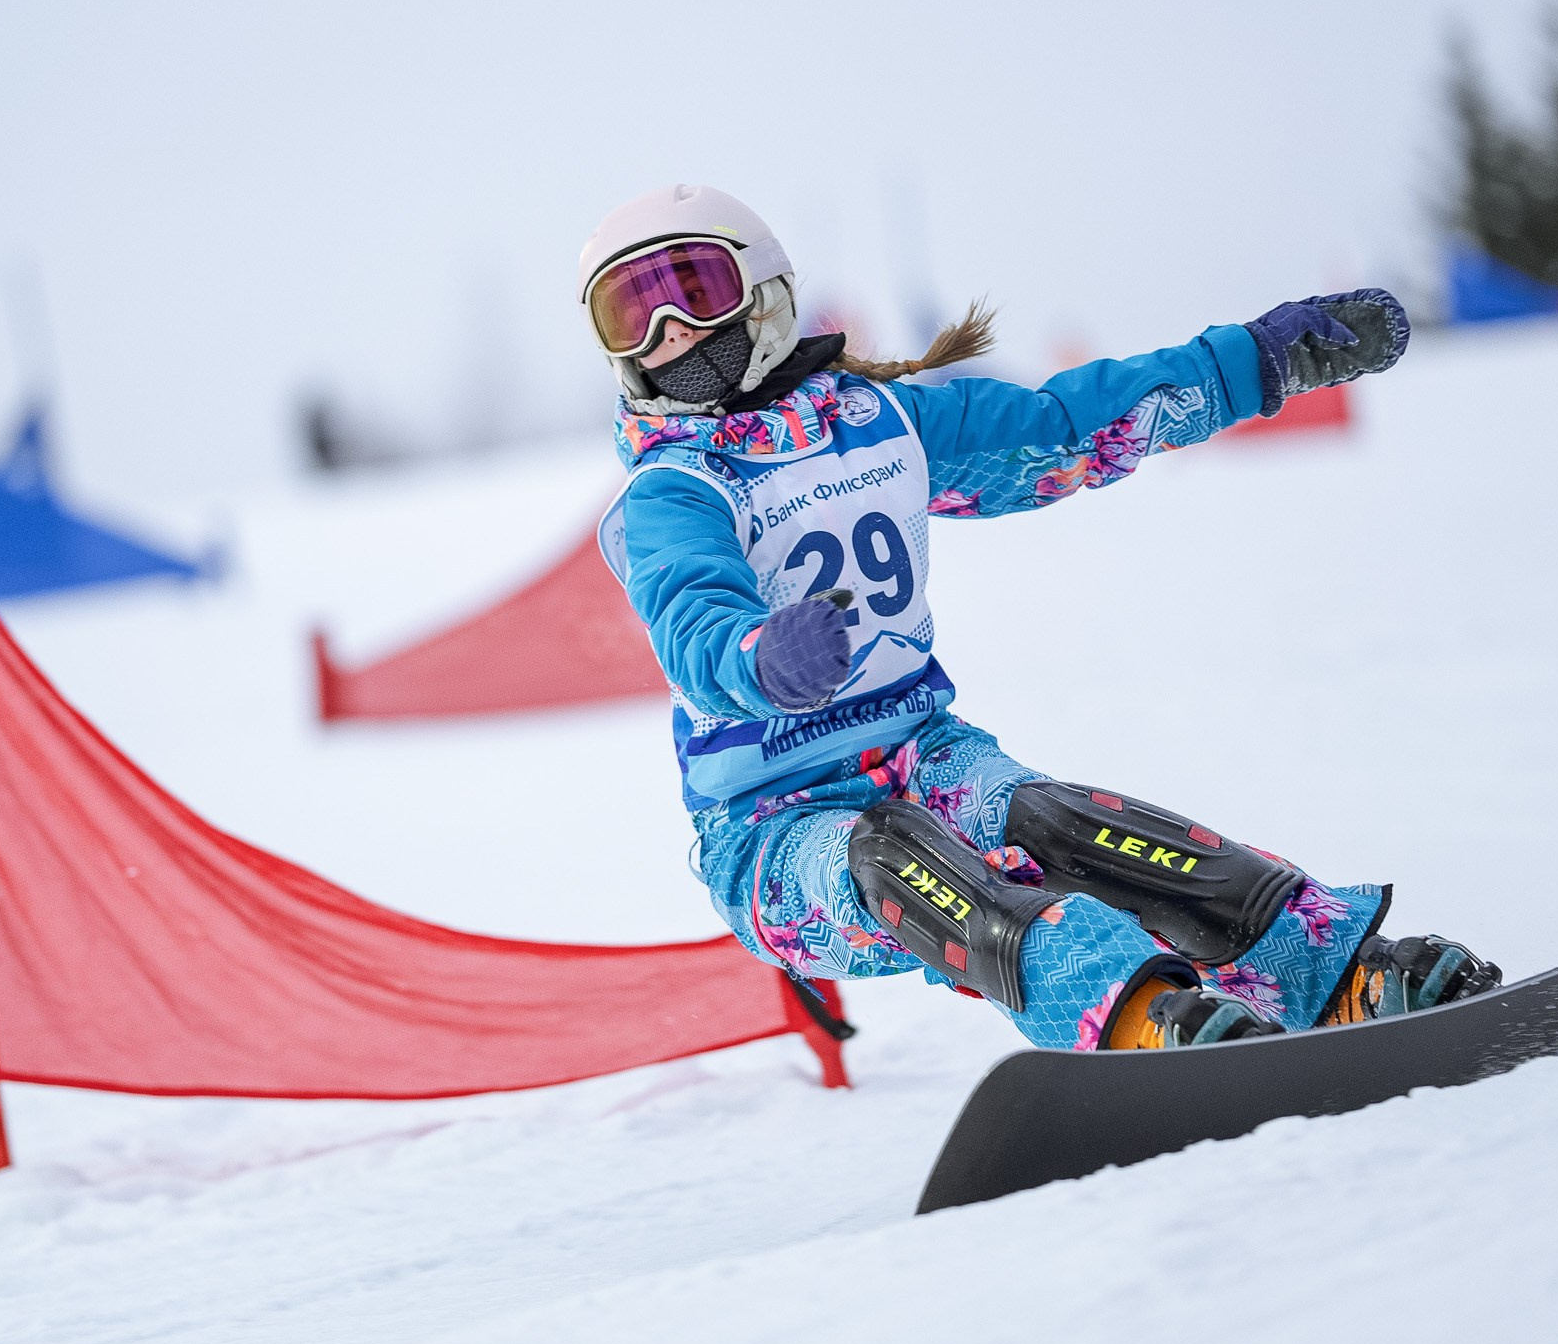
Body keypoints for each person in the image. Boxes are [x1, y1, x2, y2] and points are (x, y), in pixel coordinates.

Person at [584, 184, 1499, 1050]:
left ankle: (1335, 976)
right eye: (630, 315)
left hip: (927, 756)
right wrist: (758, 656)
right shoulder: (674, 490)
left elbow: (1067, 427)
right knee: (895, 857)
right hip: (772, 831)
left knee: (1061, 827)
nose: (668, 334)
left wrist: (1257, 359)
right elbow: (689, 612)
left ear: (765, 290)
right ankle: (1138, 1016)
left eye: (692, 289)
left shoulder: (883, 423)